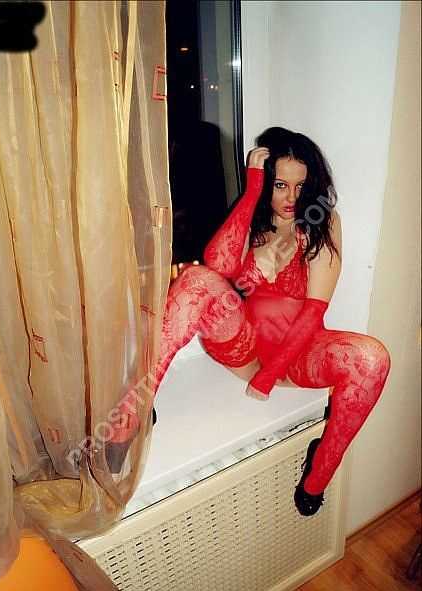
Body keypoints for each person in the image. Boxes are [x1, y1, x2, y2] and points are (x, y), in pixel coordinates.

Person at [106, 127, 391, 517]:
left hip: (297, 354)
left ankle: (318, 474)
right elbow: (219, 265)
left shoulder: (321, 223)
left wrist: (269, 375)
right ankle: (131, 415)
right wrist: (252, 190)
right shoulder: (253, 220)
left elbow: (314, 311)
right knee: (196, 280)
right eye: (280, 185)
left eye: (300, 186)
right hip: (242, 345)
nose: (291, 198)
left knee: (373, 358)